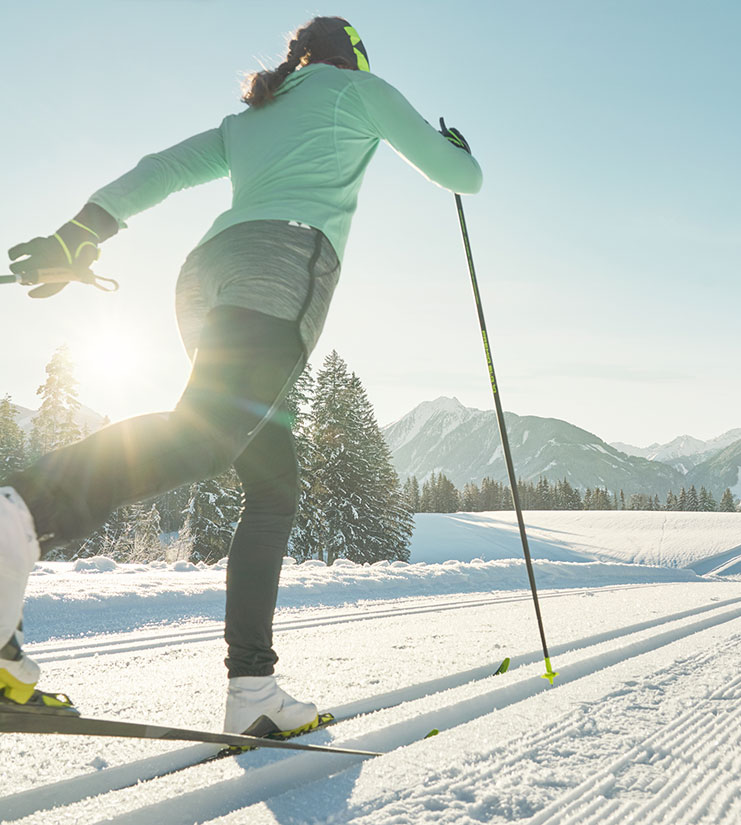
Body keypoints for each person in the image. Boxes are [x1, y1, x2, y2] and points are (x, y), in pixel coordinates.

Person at [0, 16, 481, 736]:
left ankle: (252, 686)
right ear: (347, 57)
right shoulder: (359, 90)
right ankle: (21, 513)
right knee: (204, 437)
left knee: (273, 481)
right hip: (278, 273)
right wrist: (454, 147)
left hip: (205, 280)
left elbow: (159, 169)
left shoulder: (251, 118)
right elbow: (461, 179)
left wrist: (79, 233)